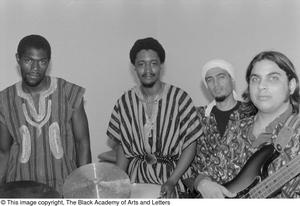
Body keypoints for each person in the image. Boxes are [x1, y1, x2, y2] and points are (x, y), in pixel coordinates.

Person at [191, 51, 300, 198]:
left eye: (273, 78)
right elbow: (210, 171)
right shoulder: (237, 126)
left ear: (291, 85)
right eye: (255, 79)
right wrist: (202, 183)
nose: (261, 86)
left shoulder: (296, 132)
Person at [106, 37, 202, 198]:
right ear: (134, 68)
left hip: (172, 179)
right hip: (137, 179)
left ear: (161, 66)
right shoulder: (124, 102)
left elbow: (190, 145)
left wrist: (172, 180)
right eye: (141, 64)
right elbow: (123, 148)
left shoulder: (180, 98)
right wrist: (119, 182)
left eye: (153, 63)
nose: (148, 69)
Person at [0, 34, 91, 194]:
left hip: (64, 187)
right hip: (21, 190)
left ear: (48, 62)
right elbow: (3, 151)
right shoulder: (4, 100)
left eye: (42, 62)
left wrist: (83, 188)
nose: (35, 68)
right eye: (28, 61)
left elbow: (82, 143)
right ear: (18, 59)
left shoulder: (69, 93)